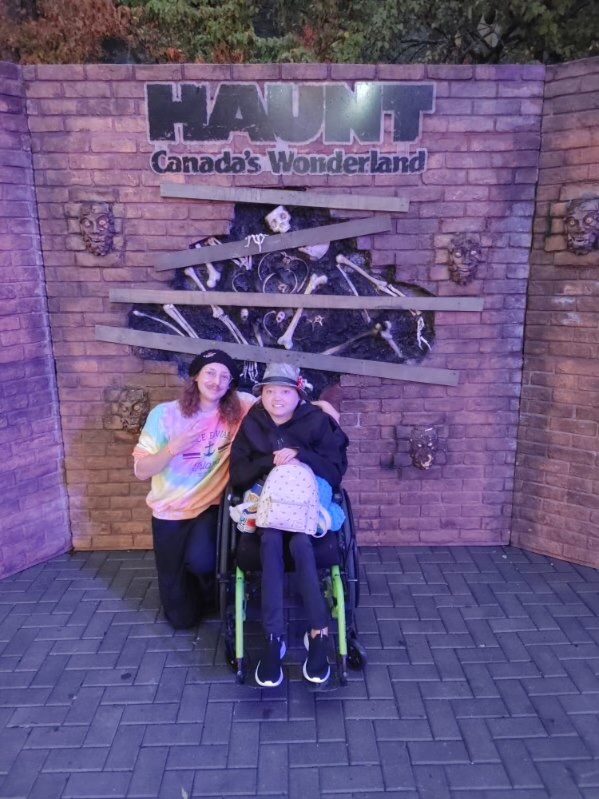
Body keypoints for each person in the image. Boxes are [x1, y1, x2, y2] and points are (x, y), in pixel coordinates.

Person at [133, 350, 340, 631]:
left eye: (224, 376)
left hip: (210, 505)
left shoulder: (239, 407)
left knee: (202, 562)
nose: (216, 381)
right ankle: (192, 601)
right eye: (210, 373)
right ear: (195, 376)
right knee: (180, 618)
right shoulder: (165, 415)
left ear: (231, 383)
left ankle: (212, 596)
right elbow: (141, 471)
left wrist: (323, 407)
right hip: (169, 510)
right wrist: (173, 448)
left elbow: (281, 401)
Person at [229, 363, 349, 688]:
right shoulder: (253, 422)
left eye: (284, 391)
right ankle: (274, 638)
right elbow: (237, 475)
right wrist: (271, 460)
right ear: (262, 395)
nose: (277, 398)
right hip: (268, 507)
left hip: (306, 506)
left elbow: (335, 472)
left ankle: (318, 633)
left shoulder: (317, 422)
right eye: (270, 391)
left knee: (300, 542)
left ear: (298, 394)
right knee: (270, 540)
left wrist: (300, 456)